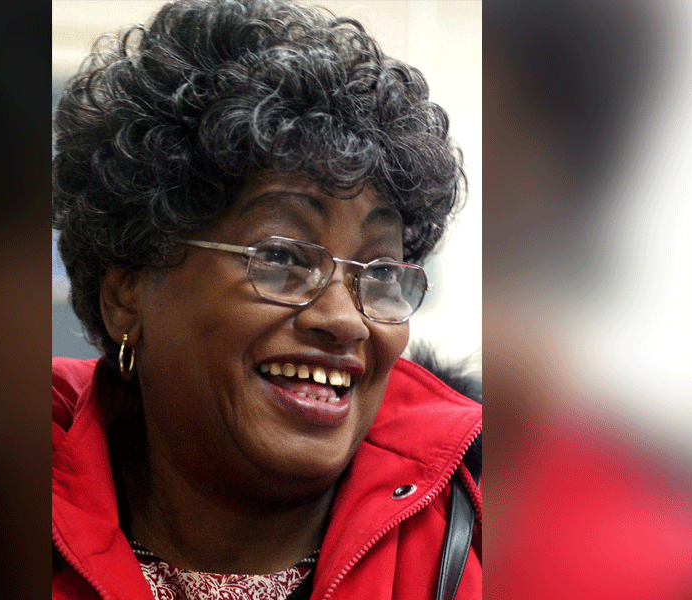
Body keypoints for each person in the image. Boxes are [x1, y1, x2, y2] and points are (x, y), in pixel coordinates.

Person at [51, 1, 480, 598]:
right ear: (127, 291)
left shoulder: (488, 529)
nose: (344, 320)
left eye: (380, 270)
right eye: (281, 258)